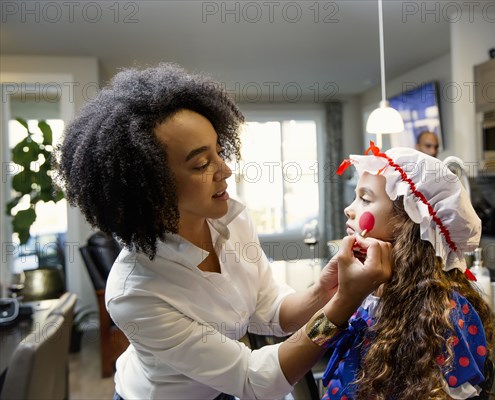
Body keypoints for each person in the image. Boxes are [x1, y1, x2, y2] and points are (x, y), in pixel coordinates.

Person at [54, 63, 392, 400]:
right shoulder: (135, 292)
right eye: (201, 164)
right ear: (149, 189)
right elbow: (253, 380)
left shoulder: (230, 221)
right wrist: (345, 301)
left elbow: (273, 311)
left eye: (219, 151)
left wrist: (325, 287)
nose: (226, 170)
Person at [324, 143, 495, 400]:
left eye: (364, 199)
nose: (349, 209)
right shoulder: (370, 292)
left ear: (407, 221)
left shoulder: (442, 313)